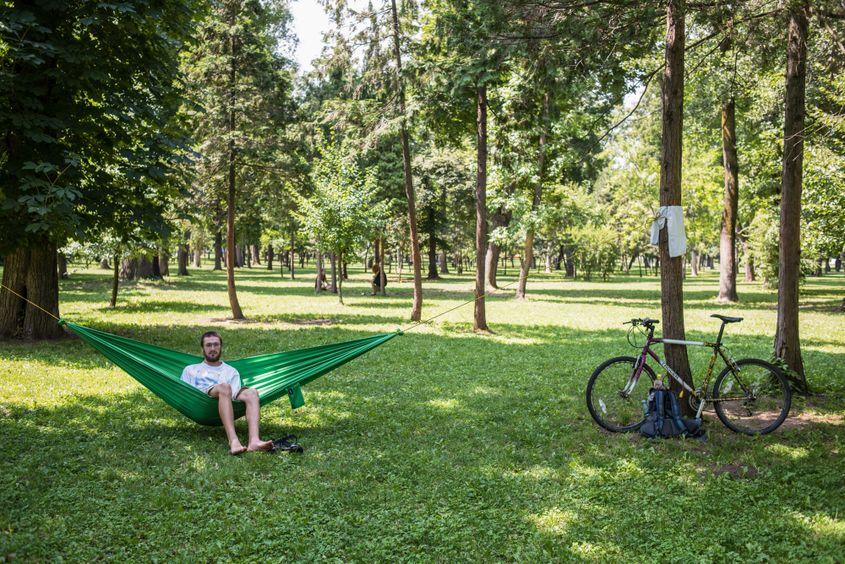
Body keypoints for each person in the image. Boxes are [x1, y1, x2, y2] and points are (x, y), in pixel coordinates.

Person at [181, 331, 273, 455]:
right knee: (224, 387)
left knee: (251, 392)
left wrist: (249, 393)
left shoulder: (231, 371)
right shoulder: (190, 370)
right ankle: (233, 440)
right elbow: (183, 392)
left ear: (221, 347)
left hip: (226, 401)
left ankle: (254, 441)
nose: (212, 349)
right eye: (208, 345)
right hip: (200, 403)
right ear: (202, 348)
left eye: (216, 345)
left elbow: (234, 396)